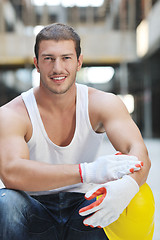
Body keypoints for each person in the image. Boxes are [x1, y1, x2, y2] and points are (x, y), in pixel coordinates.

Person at [0, 23, 150, 240]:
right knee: (5, 202)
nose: (58, 68)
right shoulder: (12, 113)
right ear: (37, 64)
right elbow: (12, 173)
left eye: (66, 58)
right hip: (32, 211)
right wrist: (86, 172)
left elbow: (138, 152)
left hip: (85, 209)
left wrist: (127, 186)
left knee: (138, 196)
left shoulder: (103, 103)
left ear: (79, 62)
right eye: (49, 58)